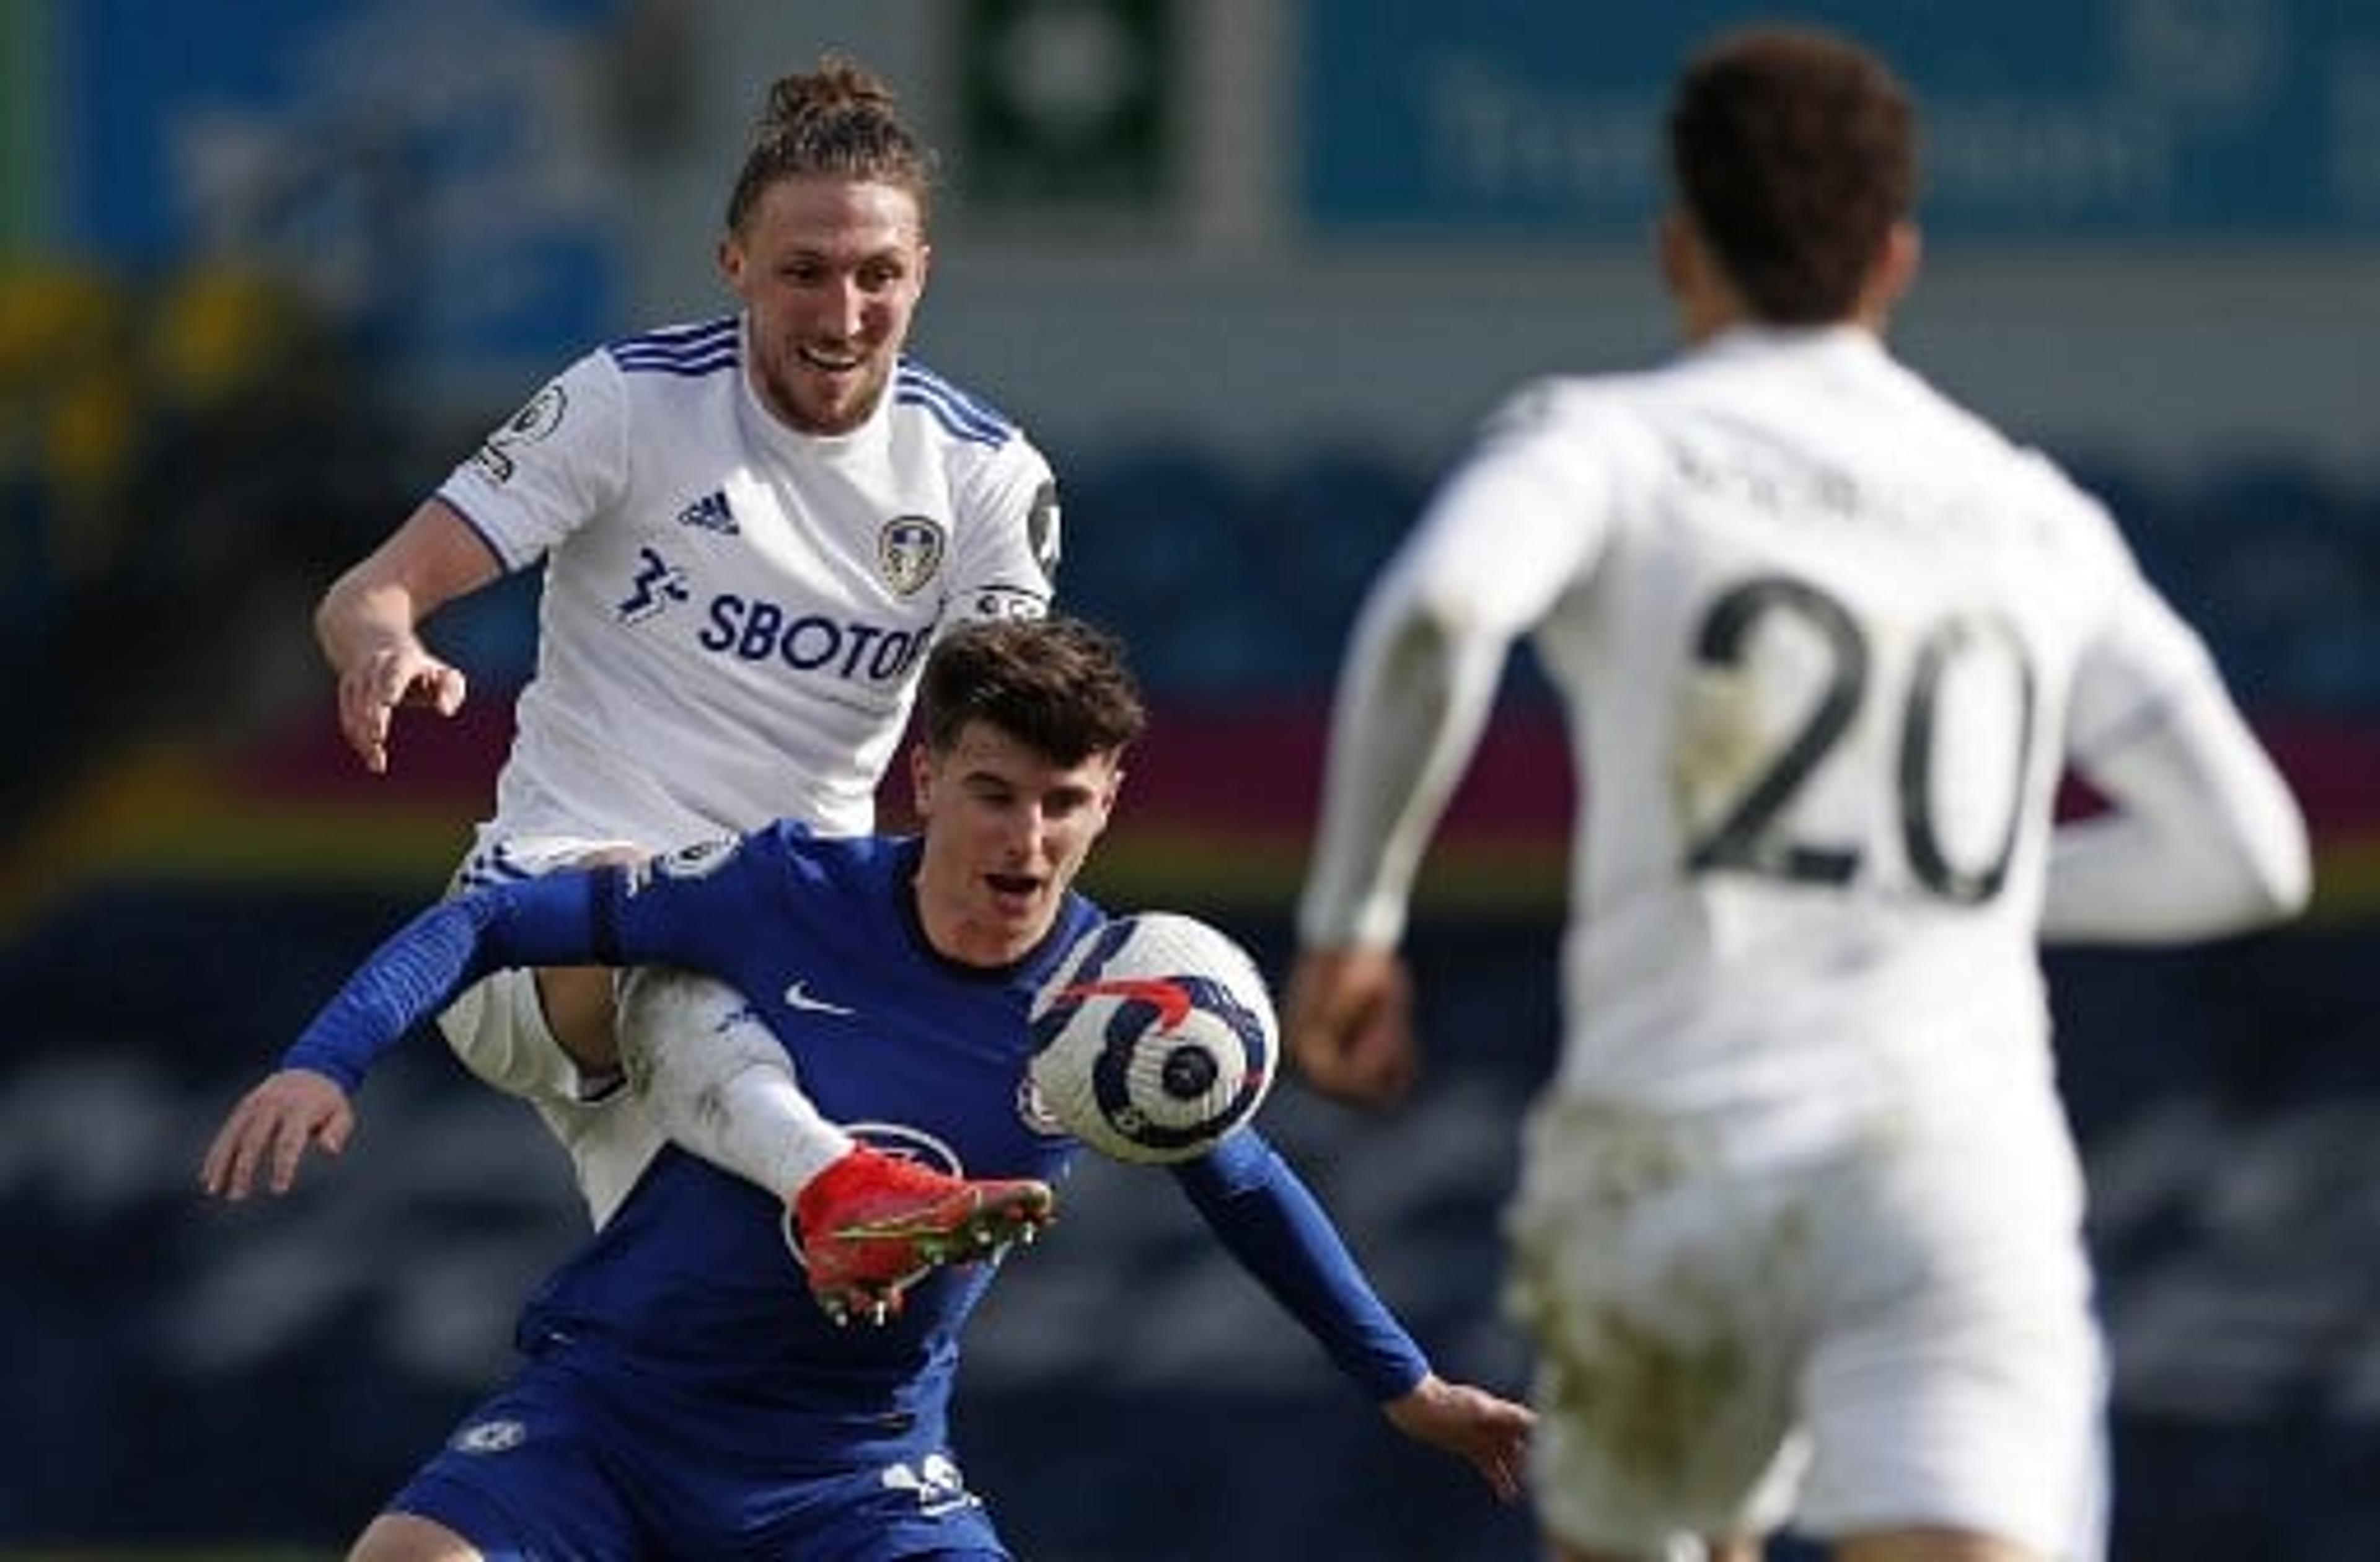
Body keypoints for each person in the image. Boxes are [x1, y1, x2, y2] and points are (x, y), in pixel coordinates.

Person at [1284, 25, 2311, 1562]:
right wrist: (1976, 895)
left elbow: (1438, 621)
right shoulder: (2034, 514)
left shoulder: (1609, 445)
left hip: (1676, 1162)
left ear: (1676, 245)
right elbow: (2251, 855)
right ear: (1895, 257)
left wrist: (1353, 923)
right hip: (1952, 1173)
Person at [202, 615, 1534, 1560]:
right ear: (927, 778)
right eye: (994, 794)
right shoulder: (783, 893)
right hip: (614, 1412)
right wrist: (329, 1057)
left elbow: (1242, 1178)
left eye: (1063, 802)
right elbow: (496, 923)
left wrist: (1403, 1385)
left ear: (1112, 799)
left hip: (850, 1473)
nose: (1027, 840)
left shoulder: (1117, 1012)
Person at [308, 55, 1070, 1315]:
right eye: (804, 271)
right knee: (680, 937)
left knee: (722, 1351)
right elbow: (368, 591)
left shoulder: (983, 476)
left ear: (922, 272)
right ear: (733, 267)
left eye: (879, 274)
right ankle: (838, 1182)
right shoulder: (629, 403)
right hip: (545, 914)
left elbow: (994, 744)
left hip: (789, 948)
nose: (844, 310)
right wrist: (387, 648)